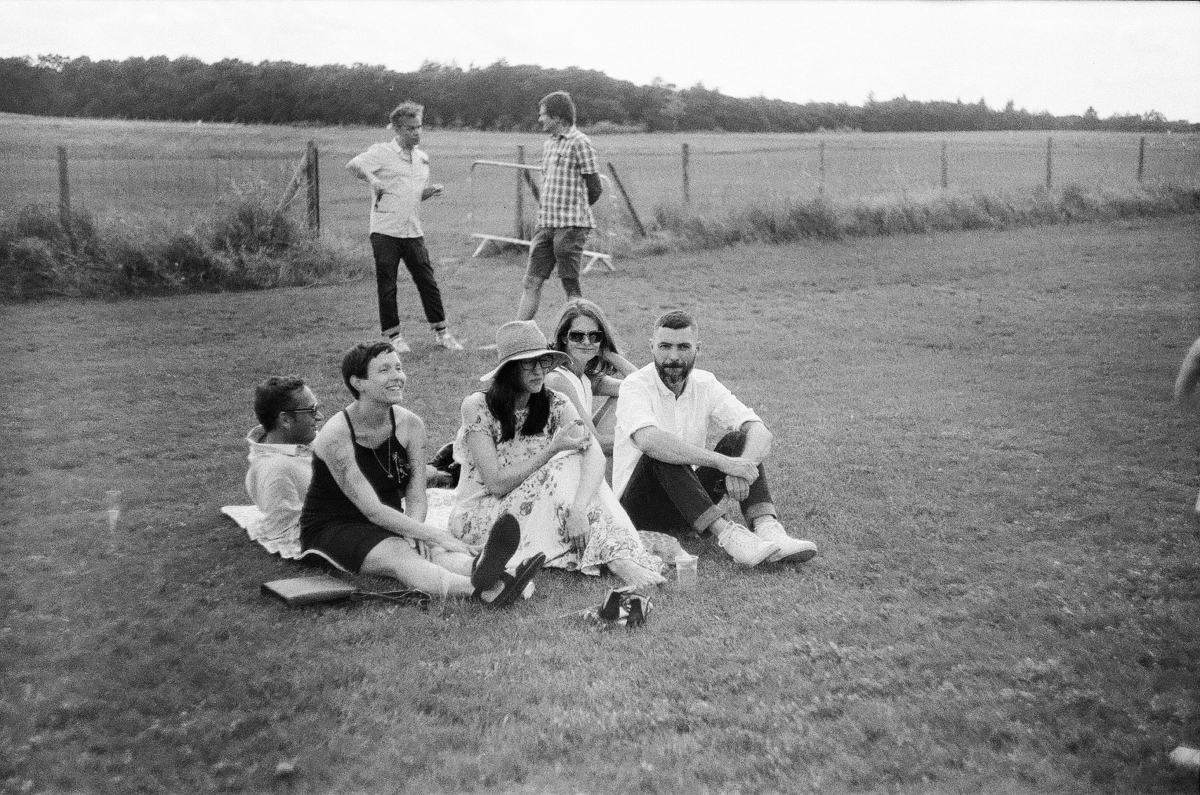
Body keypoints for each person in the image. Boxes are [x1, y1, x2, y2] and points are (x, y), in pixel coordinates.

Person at [299, 342, 542, 605]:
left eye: (398, 368)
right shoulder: (336, 435)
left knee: (433, 550)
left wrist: (415, 530)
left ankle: (487, 570)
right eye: (384, 370)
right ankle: (486, 590)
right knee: (400, 553)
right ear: (358, 383)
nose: (397, 376)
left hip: (390, 520)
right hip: (334, 527)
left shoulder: (411, 425)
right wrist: (429, 533)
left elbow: (416, 495)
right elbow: (372, 510)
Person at [448, 321, 666, 591]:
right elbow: (496, 484)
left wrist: (578, 510)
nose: (539, 370)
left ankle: (617, 555)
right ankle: (617, 558)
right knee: (562, 465)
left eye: (543, 361)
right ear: (508, 370)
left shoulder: (554, 402)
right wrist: (551, 450)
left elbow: (595, 455)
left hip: (529, 505)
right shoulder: (478, 406)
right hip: (484, 518)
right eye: (528, 364)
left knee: (577, 463)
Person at [613, 310, 818, 567]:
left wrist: (741, 467)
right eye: (665, 346)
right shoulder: (635, 385)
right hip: (637, 511)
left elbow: (759, 430)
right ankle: (729, 537)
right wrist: (723, 463)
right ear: (651, 346)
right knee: (662, 451)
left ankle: (768, 529)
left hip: (686, 505)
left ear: (698, 349)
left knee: (738, 440)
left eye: (683, 347)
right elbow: (648, 441)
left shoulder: (705, 383)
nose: (673, 356)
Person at [346, 101, 464, 353]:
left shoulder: (422, 158)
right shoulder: (382, 152)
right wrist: (373, 179)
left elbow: (414, 195)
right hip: (385, 230)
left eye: (419, 127)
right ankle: (394, 337)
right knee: (388, 285)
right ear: (397, 130)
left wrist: (429, 192)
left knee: (427, 281)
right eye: (411, 128)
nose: (417, 132)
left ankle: (442, 333)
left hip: (413, 231)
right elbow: (353, 165)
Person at [516, 91, 603, 321]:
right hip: (546, 225)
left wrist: (575, 214)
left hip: (570, 227)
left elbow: (595, 187)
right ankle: (518, 334)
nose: (540, 119)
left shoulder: (580, 143)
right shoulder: (549, 144)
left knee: (569, 284)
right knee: (530, 281)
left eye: (543, 115)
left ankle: (579, 332)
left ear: (557, 117)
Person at [244, 375, 323, 557]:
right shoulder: (277, 470)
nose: (319, 417)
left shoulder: (300, 441)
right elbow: (286, 532)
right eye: (312, 411)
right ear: (285, 420)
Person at [545, 298, 636, 456]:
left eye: (594, 336)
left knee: (628, 394)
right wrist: (646, 441)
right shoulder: (558, 380)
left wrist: (609, 354)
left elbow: (640, 386)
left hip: (580, 458)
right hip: (557, 465)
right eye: (577, 336)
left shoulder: (585, 377)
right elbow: (593, 443)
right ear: (564, 337)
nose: (586, 342)